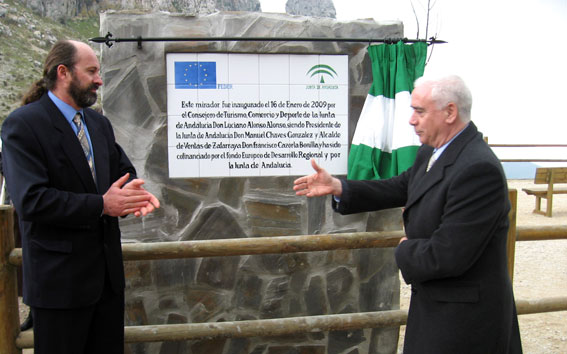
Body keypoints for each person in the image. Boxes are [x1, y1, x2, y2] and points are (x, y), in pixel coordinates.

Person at [294, 74, 522, 353]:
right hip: (439, 310)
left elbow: (447, 256)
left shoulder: (478, 169)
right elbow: (401, 186)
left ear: (450, 112)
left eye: (420, 111)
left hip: (465, 324)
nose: (412, 120)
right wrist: (339, 186)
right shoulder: (433, 151)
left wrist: (403, 250)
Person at [1, 39, 160, 354]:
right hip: (59, 288)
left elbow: (122, 175)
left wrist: (135, 198)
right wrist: (103, 204)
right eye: (91, 71)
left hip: (107, 285)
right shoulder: (23, 125)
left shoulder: (98, 124)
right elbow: (31, 200)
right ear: (63, 72)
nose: (99, 79)